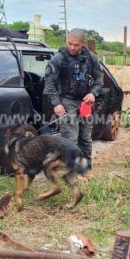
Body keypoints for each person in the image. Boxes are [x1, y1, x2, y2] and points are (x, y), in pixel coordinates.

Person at [43, 28, 103, 167]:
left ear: (83, 44)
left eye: (76, 45)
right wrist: (56, 103)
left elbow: (100, 79)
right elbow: (49, 81)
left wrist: (93, 93)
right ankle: (71, 169)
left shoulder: (91, 58)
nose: (71, 47)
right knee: (70, 137)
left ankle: (85, 167)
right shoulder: (59, 58)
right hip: (67, 100)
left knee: (86, 138)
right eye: (69, 43)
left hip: (85, 102)